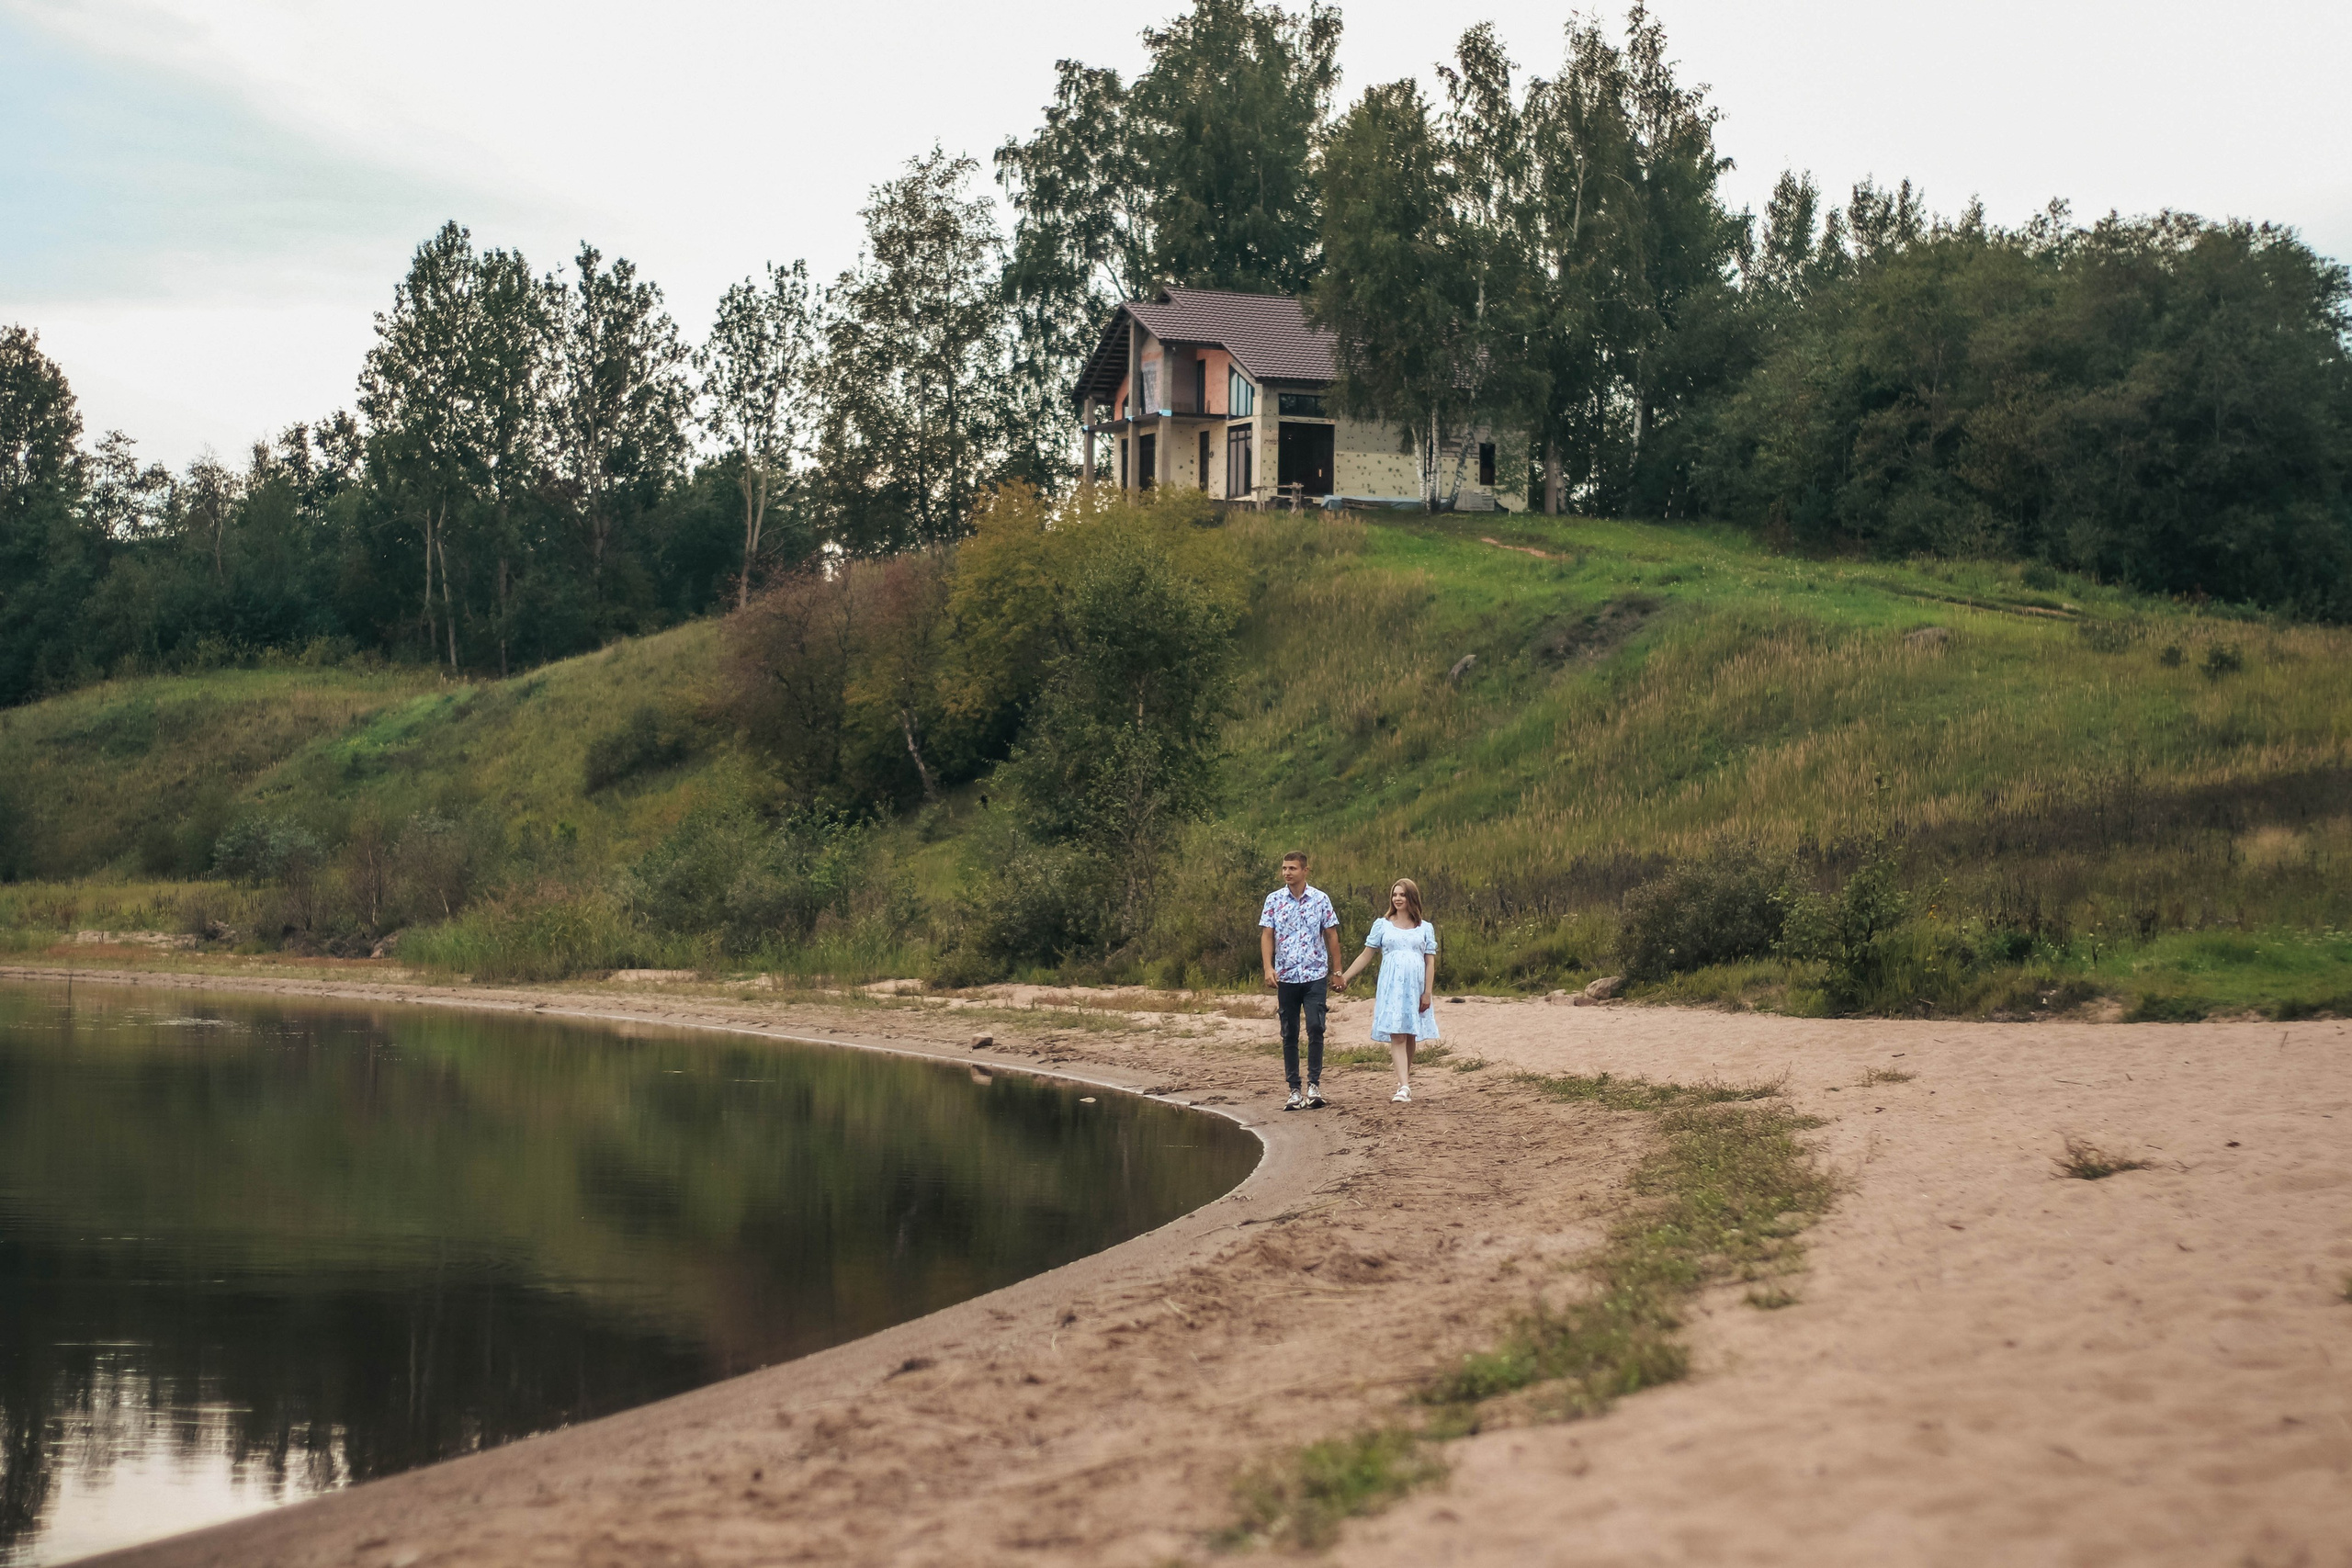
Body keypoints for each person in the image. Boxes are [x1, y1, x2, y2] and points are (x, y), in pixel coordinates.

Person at [1339, 878, 1437, 1104]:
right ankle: (1404, 1086)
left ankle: (1405, 1082)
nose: (1397, 898)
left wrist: (1427, 992)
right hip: (1391, 986)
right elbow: (1366, 954)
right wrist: (1345, 976)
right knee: (1398, 1034)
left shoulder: (1425, 928)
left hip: (1415, 987)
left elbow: (1429, 962)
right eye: (1395, 894)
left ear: (1411, 897)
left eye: (1402, 894)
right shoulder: (1382, 925)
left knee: (1410, 1033)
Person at [1259, 851, 1343, 1111]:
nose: (1287, 873)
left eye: (1292, 868)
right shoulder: (1274, 900)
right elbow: (1267, 935)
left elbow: (1331, 934)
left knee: (1316, 1026)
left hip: (1314, 974)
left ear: (1305, 870)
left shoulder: (1320, 900)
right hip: (1286, 975)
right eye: (1284, 868)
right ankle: (1294, 1089)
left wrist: (1337, 970)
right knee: (1289, 1031)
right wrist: (1268, 967)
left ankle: (1314, 1085)